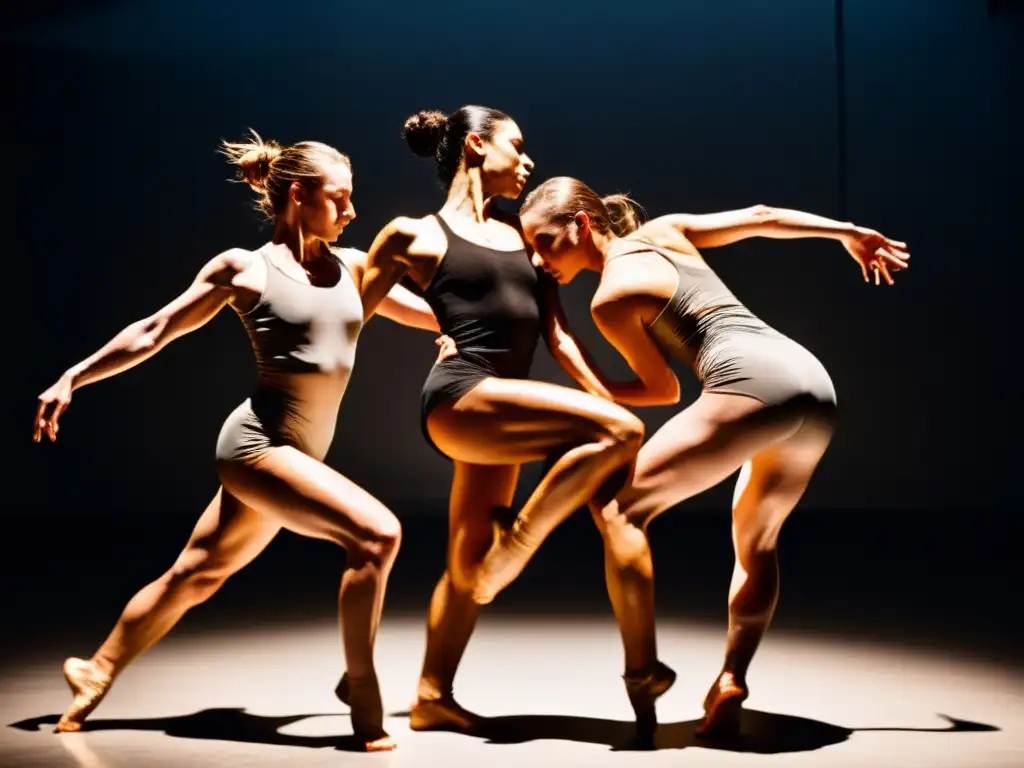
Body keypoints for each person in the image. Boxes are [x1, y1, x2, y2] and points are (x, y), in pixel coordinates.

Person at [32, 131, 445, 751]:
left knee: (196, 574)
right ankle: (361, 691)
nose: (353, 211)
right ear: (299, 195)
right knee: (378, 534)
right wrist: (73, 376)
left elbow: (432, 315)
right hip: (256, 448)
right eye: (340, 198)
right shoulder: (245, 268)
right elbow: (153, 331)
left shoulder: (356, 267)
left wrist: (454, 337)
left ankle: (97, 669)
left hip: (299, 456)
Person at [480, 175, 909, 740]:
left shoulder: (610, 299)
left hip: (751, 384)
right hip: (812, 383)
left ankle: (641, 664)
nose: (537, 259)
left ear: (580, 225)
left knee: (617, 509)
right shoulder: (665, 232)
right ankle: (731, 678)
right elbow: (760, 214)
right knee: (756, 541)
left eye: (542, 242)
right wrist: (846, 233)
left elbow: (661, 392)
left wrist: (574, 365)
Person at [356, 106, 646, 732]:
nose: (530, 160)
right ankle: (518, 546)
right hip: (460, 398)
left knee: (467, 562)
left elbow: (559, 338)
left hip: (503, 406)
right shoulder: (414, 233)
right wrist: (438, 326)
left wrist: (604, 398)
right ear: (477, 147)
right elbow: (353, 310)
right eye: (519, 146)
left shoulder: (524, 232)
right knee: (620, 436)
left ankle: (431, 696)